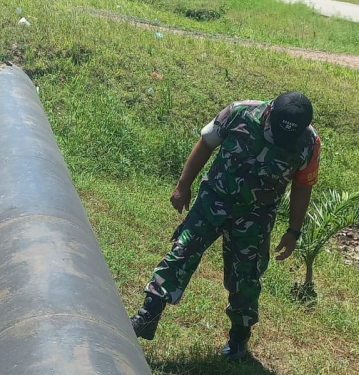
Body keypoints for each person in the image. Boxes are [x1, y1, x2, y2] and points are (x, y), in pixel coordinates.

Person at [130, 91, 321, 360]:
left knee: (246, 278)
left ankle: (239, 339)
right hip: (214, 200)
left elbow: (303, 186)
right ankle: (148, 314)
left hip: (256, 217)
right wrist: (183, 186)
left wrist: (293, 231)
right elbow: (206, 144)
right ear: (269, 113)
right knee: (181, 252)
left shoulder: (309, 142)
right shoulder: (239, 112)